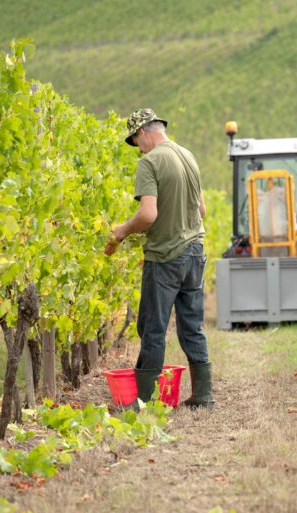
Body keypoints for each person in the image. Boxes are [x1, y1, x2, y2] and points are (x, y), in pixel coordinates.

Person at [104, 108, 215, 408]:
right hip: (195, 252)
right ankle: (204, 396)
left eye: (135, 141)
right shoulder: (187, 155)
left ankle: (146, 400)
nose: (137, 149)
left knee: (152, 328)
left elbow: (148, 215)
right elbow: (201, 211)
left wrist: (122, 232)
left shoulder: (150, 162)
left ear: (143, 132)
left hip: (166, 256)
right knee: (192, 326)